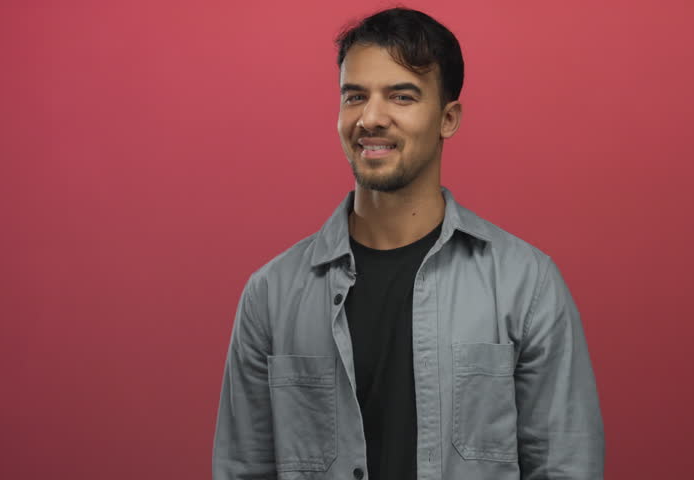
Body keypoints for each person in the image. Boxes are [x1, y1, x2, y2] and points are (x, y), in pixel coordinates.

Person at [212, 7, 604, 480]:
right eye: (354, 96)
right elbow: (242, 469)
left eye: (401, 96)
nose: (370, 118)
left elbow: (566, 465)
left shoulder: (527, 284)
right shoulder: (271, 295)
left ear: (448, 118)